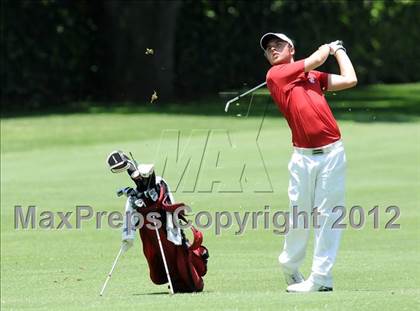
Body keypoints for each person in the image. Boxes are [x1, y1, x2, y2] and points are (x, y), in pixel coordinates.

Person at [260, 33, 357, 293]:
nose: (272, 50)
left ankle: (321, 277)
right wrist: (328, 46)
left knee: (329, 216)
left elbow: (350, 79)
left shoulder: (313, 78)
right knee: (299, 215)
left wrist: (340, 51)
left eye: (277, 45)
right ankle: (290, 266)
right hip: (302, 158)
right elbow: (315, 58)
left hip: (333, 153)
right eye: (268, 49)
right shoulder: (276, 76)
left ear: (290, 47)